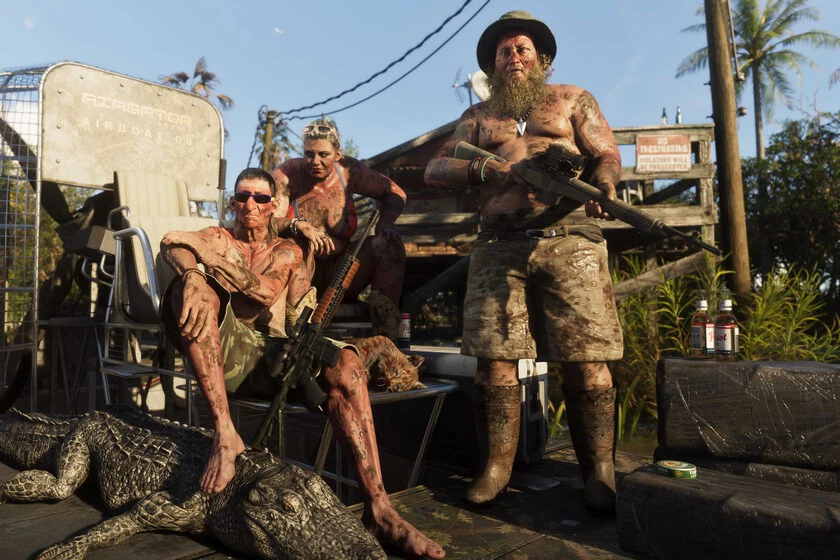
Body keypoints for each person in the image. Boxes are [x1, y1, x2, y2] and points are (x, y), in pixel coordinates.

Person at [159, 168, 445, 558]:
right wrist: (194, 272)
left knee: (347, 364)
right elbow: (173, 242)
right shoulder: (218, 237)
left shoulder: (287, 250)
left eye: (261, 198)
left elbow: (264, 292)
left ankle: (380, 509)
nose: (250, 204)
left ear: (273, 205)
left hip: (274, 355)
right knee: (193, 290)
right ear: (233, 202)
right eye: (243, 196)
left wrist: (208, 259)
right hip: (224, 351)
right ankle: (225, 434)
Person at [424, 11, 624, 514]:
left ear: (542, 59)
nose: (513, 58)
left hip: (571, 238)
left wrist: (605, 185)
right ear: (492, 67)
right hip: (499, 243)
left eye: (522, 50)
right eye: (503, 53)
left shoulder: (572, 99)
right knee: (494, 360)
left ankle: (600, 471)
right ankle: (496, 469)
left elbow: (605, 153)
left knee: (587, 361)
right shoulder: (478, 116)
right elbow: (436, 167)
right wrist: (483, 168)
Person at [270, 117, 407, 341]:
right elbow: (269, 221)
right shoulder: (287, 174)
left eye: (323, 154)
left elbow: (396, 192)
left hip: (341, 273)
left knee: (389, 246)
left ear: (338, 154)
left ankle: (384, 341)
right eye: (309, 154)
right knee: (294, 247)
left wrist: (384, 224)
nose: (315, 161)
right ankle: (297, 338)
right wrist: (298, 225)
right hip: (300, 273)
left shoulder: (349, 171)